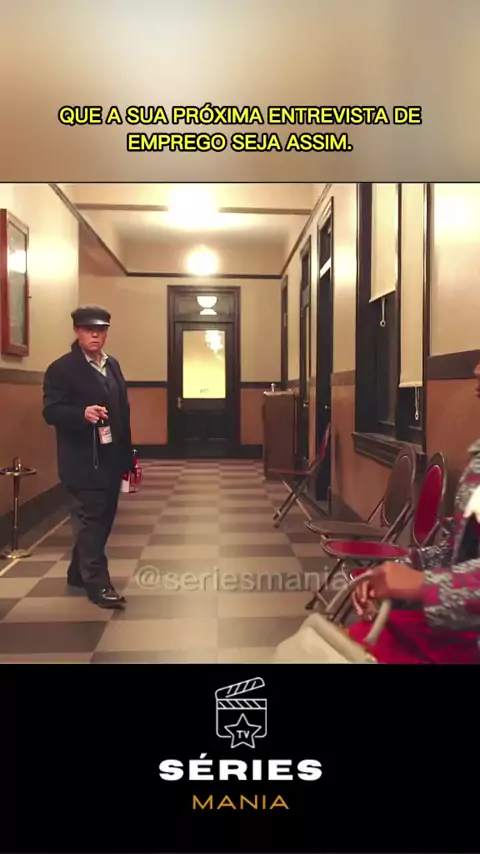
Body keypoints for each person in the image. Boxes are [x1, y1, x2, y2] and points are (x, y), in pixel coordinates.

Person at [348, 389, 480, 664]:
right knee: (359, 643)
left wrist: (421, 585)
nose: (477, 370)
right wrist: (405, 567)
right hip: (459, 628)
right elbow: (457, 551)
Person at [43, 305, 134, 609]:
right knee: (91, 521)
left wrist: (128, 457)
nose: (95, 335)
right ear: (77, 331)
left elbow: (122, 413)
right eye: (88, 330)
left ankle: (77, 572)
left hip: (111, 458)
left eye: (101, 330)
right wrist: (81, 414)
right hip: (82, 460)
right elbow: (51, 411)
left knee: (103, 519)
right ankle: (98, 584)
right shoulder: (62, 368)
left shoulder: (112, 365)